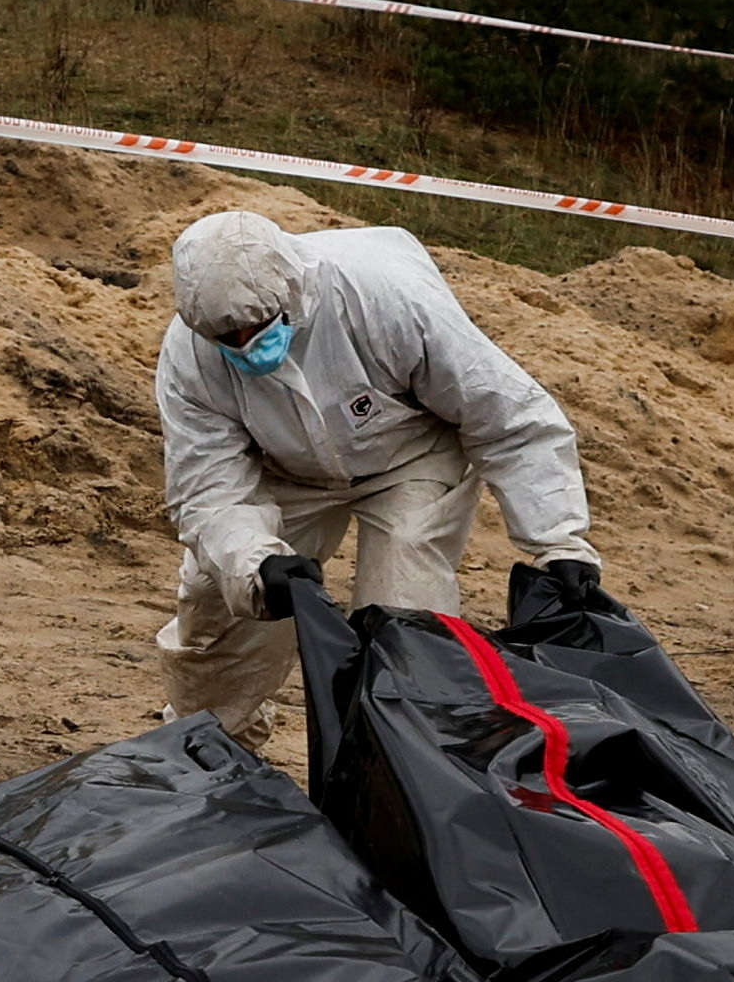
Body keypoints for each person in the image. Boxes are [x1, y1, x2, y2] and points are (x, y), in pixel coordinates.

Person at [150, 211, 597, 736]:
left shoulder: (388, 302)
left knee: (404, 627)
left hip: (410, 456)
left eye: (258, 327)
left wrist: (559, 541)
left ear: (292, 294)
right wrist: (255, 563)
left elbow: (505, 415)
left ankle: (395, 763)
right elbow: (206, 488)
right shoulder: (191, 357)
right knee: (221, 615)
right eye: (230, 336)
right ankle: (208, 751)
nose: (245, 344)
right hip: (280, 469)